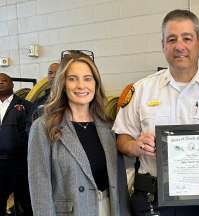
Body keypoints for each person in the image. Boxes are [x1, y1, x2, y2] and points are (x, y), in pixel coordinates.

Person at [113, 9, 199, 216]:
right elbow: (122, 138)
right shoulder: (141, 90)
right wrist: (136, 146)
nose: (179, 46)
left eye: (187, 38)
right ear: (163, 45)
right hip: (151, 200)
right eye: (172, 39)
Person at [27, 50, 130, 215]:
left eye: (87, 78)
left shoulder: (108, 126)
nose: (81, 86)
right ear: (62, 83)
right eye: (72, 79)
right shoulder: (43, 127)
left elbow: (119, 185)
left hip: (109, 209)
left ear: (95, 83)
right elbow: (40, 189)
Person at [0, 73, 33, 215]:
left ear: (12, 84)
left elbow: (31, 132)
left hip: (19, 163)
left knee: (24, 201)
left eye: (4, 80)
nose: (0, 82)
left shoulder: (26, 106)